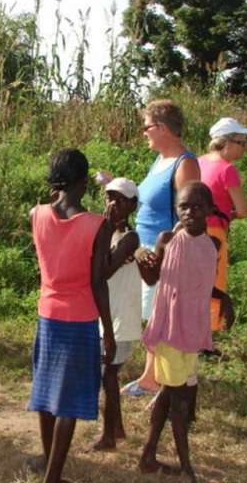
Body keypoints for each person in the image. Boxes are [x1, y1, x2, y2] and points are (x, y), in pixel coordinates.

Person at [27, 149, 114, 483]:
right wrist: (107, 329)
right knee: (69, 401)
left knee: (48, 394)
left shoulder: (37, 214)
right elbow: (97, 282)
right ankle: (53, 477)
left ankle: (50, 461)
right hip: (79, 319)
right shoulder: (97, 225)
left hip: (47, 314)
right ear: (83, 181)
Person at [136, 182, 232, 481]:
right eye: (183, 206)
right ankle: (186, 467)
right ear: (176, 209)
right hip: (170, 330)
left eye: (197, 206)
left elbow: (197, 283)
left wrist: (223, 297)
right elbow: (153, 279)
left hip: (192, 332)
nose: (190, 212)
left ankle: (148, 456)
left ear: (210, 210)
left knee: (170, 393)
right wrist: (142, 259)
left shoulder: (212, 246)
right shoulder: (168, 239)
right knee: (178, 402)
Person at [119, 99, 200, 397]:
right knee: (153, 315)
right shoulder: (160, 160)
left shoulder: (185, 163)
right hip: (146, 248)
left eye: (147, 126)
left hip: (165, 251)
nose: (144, 132)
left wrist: (168, 251)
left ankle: (157, 378)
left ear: (163, 128)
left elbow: (190, 214)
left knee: (159, 315)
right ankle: (152, 375)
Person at [93, 177, 141, 451]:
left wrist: (108, 227)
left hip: (120, 317)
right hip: (106, 316)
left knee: (108, 376)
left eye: (120, 199)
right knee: (107, 375)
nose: (113, 203)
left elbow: (104, 271)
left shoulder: (129, 238)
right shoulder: (105, 232)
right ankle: (116, 428)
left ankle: (108, 436)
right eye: (110, 197)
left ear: (132, 205)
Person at [198, 117, 247, 335]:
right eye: (242, 142)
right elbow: (242, 210)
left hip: (191, 230)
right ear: (226, 142)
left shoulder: (199, 161)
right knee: (215, 281)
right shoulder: (228, 170)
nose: (245, 148)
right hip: (215, 231)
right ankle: (209, 334)